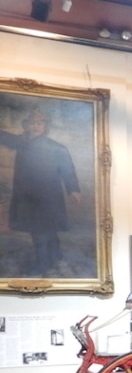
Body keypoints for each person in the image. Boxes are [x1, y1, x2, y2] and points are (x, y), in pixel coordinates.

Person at [0, 107, 81, 276]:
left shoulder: (56, 148)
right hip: (27, 196)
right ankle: (54, 256)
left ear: (45, 127)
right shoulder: (21, 142)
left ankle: (42, 263)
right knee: (42, 229)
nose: (36, 126)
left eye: (39, 123)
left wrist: (73, 189)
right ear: (26, 125)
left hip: (48, 195)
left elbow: (67, 169)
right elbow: (5, 137)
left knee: (43, 230)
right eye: (32, 123)